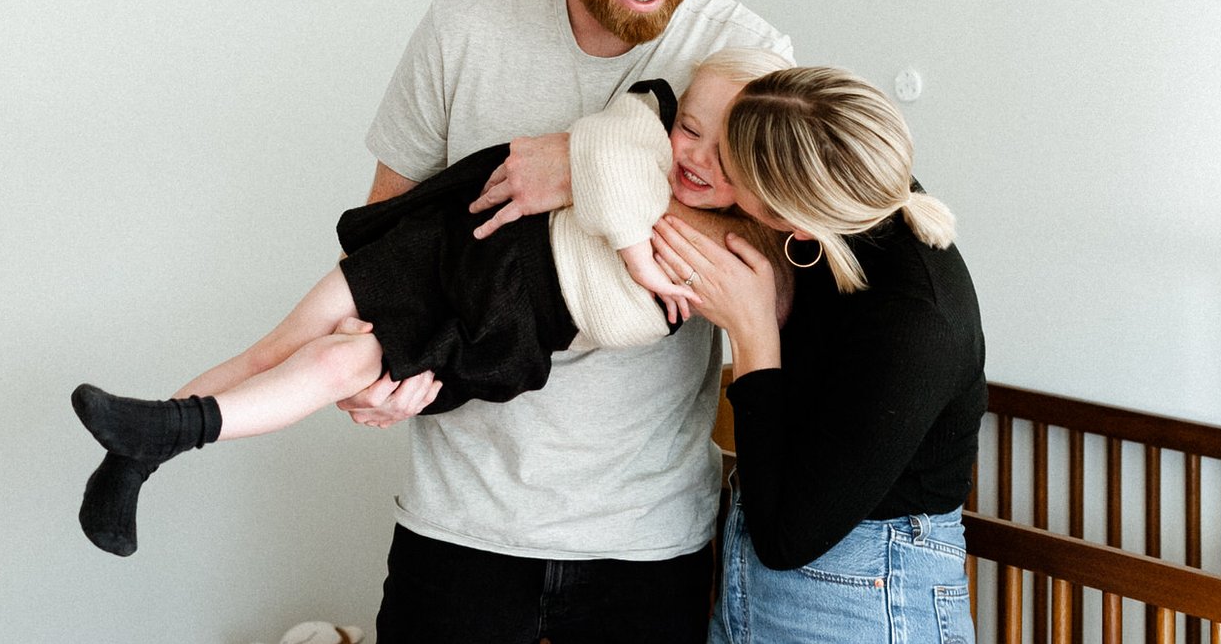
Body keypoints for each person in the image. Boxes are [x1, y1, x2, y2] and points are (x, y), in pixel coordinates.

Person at [355, 0, 793, 644]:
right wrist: (374, 357)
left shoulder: (747, 56)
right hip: (459, 523)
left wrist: (586, 165)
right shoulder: (464, 28)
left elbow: (769, 274)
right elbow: (384, 237)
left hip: (648, 542)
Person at [67, 51, 790, 556]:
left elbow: (617, 316)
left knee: (336, 362)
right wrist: (639, 256)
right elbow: (601, 156)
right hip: (450, 244)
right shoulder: (646, 122)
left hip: (493, 325)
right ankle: (138, 457)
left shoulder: (722, 250)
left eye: (726, 156)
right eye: (691, 129)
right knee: (277, 346)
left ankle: (155, 436)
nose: (695, 156)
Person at [651, 67, 985, 644]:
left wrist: (752, 332)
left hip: (866, 596)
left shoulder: (915, 322)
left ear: (793, 221)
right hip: (755, 578)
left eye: (731, 170)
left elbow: (784, 537)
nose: (711, 170)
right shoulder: (844, 183)